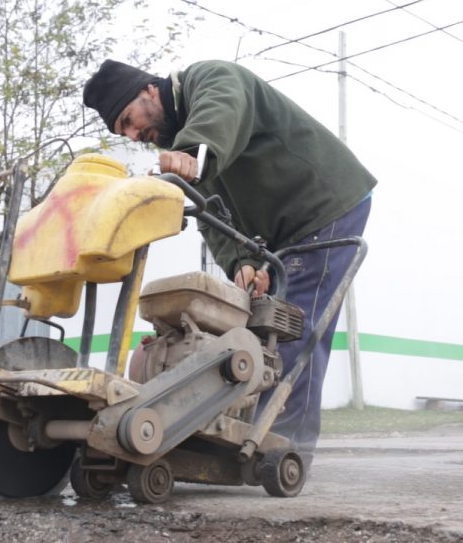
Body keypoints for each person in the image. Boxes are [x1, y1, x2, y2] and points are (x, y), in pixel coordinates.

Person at [82, 59, 376, 461]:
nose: (134, 135)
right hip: (280, 233)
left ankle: (285, 450)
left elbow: (220, 111)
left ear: (149, 91)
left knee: (293, 331)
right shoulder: (181, 143)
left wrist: (191, 153)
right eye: (124, 132)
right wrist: (240, 263)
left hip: (325, 205)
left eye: (129, 120)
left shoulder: (212, 80)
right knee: (254, 332)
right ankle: (235, 435)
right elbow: (213, 215)